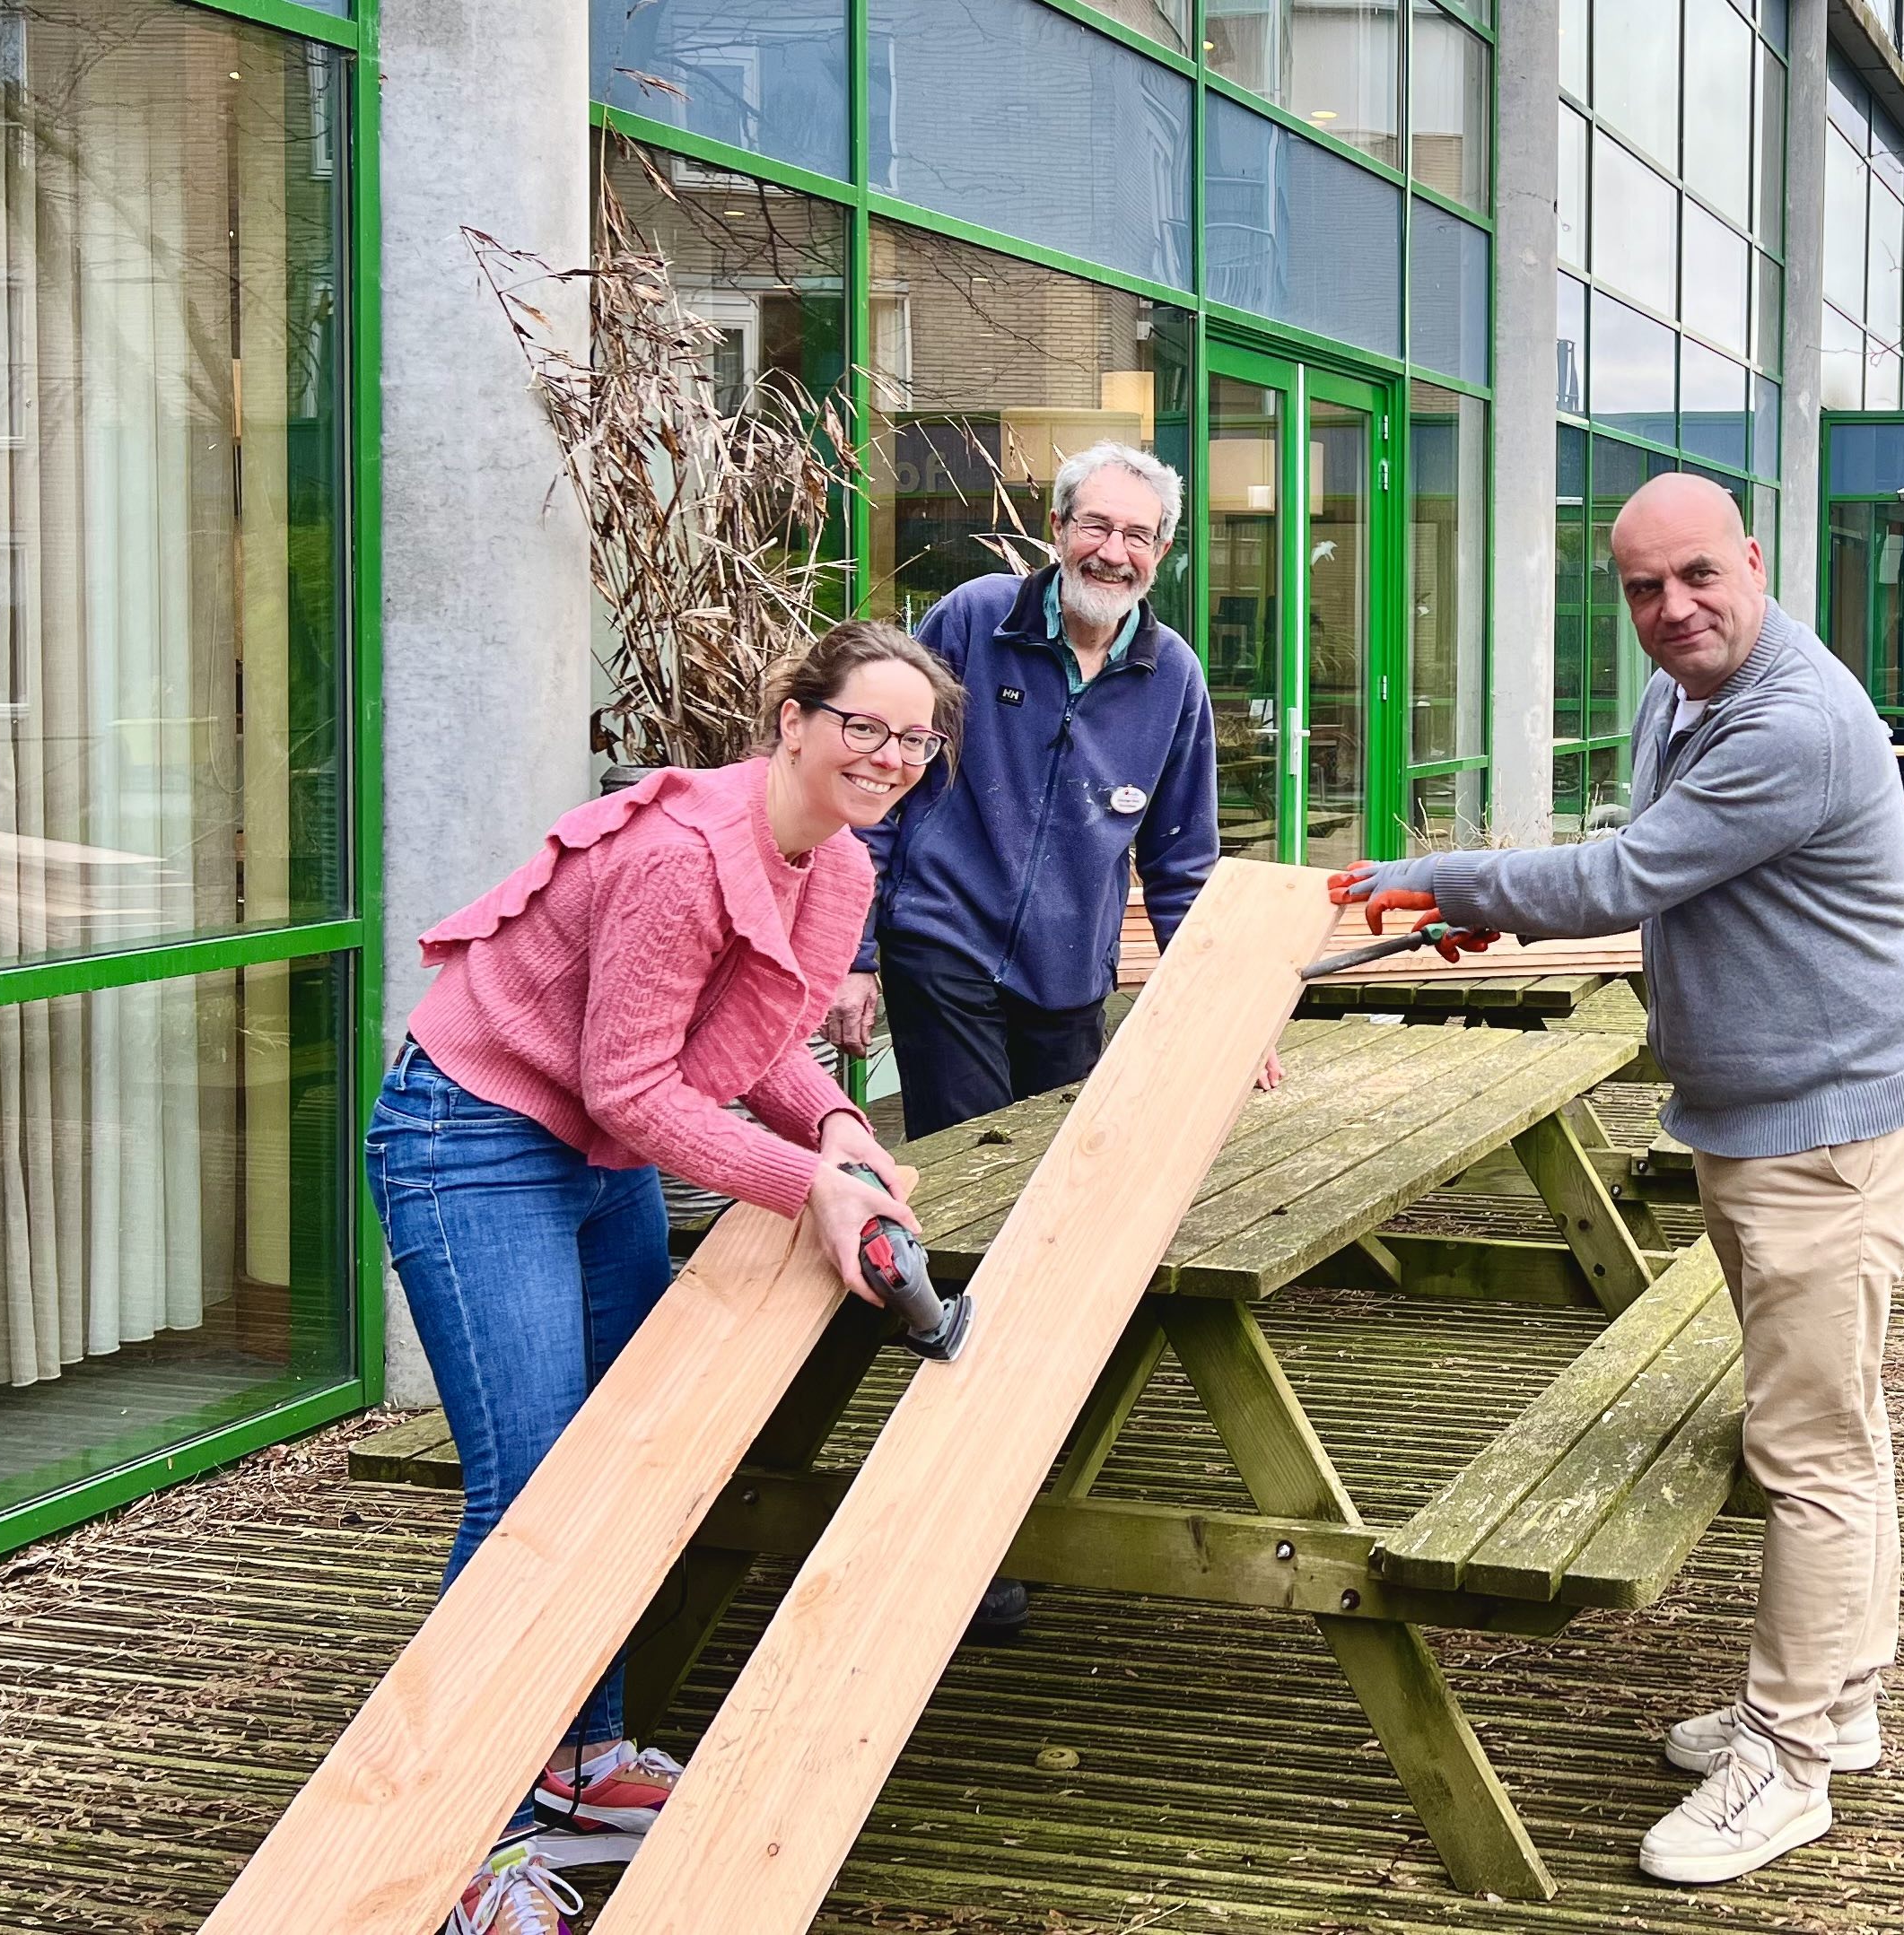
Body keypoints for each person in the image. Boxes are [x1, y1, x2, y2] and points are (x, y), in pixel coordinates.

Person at [1323, 473, 1904, 1887]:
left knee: (1809, 1451)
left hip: (1826, 1135)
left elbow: (1624, 875)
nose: (1670, 611)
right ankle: (1832, 1702)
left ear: (1754, 560)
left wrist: (1439, 881)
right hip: (1758, 1114)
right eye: (1642, 589)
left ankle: (1787, 1764)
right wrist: (1474, 910)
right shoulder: (1685, 697)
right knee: (1831, 1423)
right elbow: (1676, 892)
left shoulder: (1790, 718)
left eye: (1695, 578)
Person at [375, 622, 959, 1935]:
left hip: (595, 1144)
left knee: (628, 1458)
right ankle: (461, 1838)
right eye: (863, 724)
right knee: (528, 1488)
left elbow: (748, 1042)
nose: (889, 755)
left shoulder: (837, 866)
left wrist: (840, 1131)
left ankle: (582, 1763)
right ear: (793, 719)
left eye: (915, 738)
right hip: (471, 1139)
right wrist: (806, 1185)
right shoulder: (681, 857)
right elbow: (631, 1082)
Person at [823, 440, 1260, 1143]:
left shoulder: (1173, 675)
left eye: (1136, 535)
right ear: (1057, 526)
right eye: (1095, 525)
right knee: (972, 1158)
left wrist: (1219, 1011)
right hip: (943, 945)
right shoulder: (973, 620)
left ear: (1164, 548)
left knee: (1055, 1171)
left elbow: (1182, 868)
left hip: (1071, 977)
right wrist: (853, 952)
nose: (1112, 552)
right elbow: (880, 785)